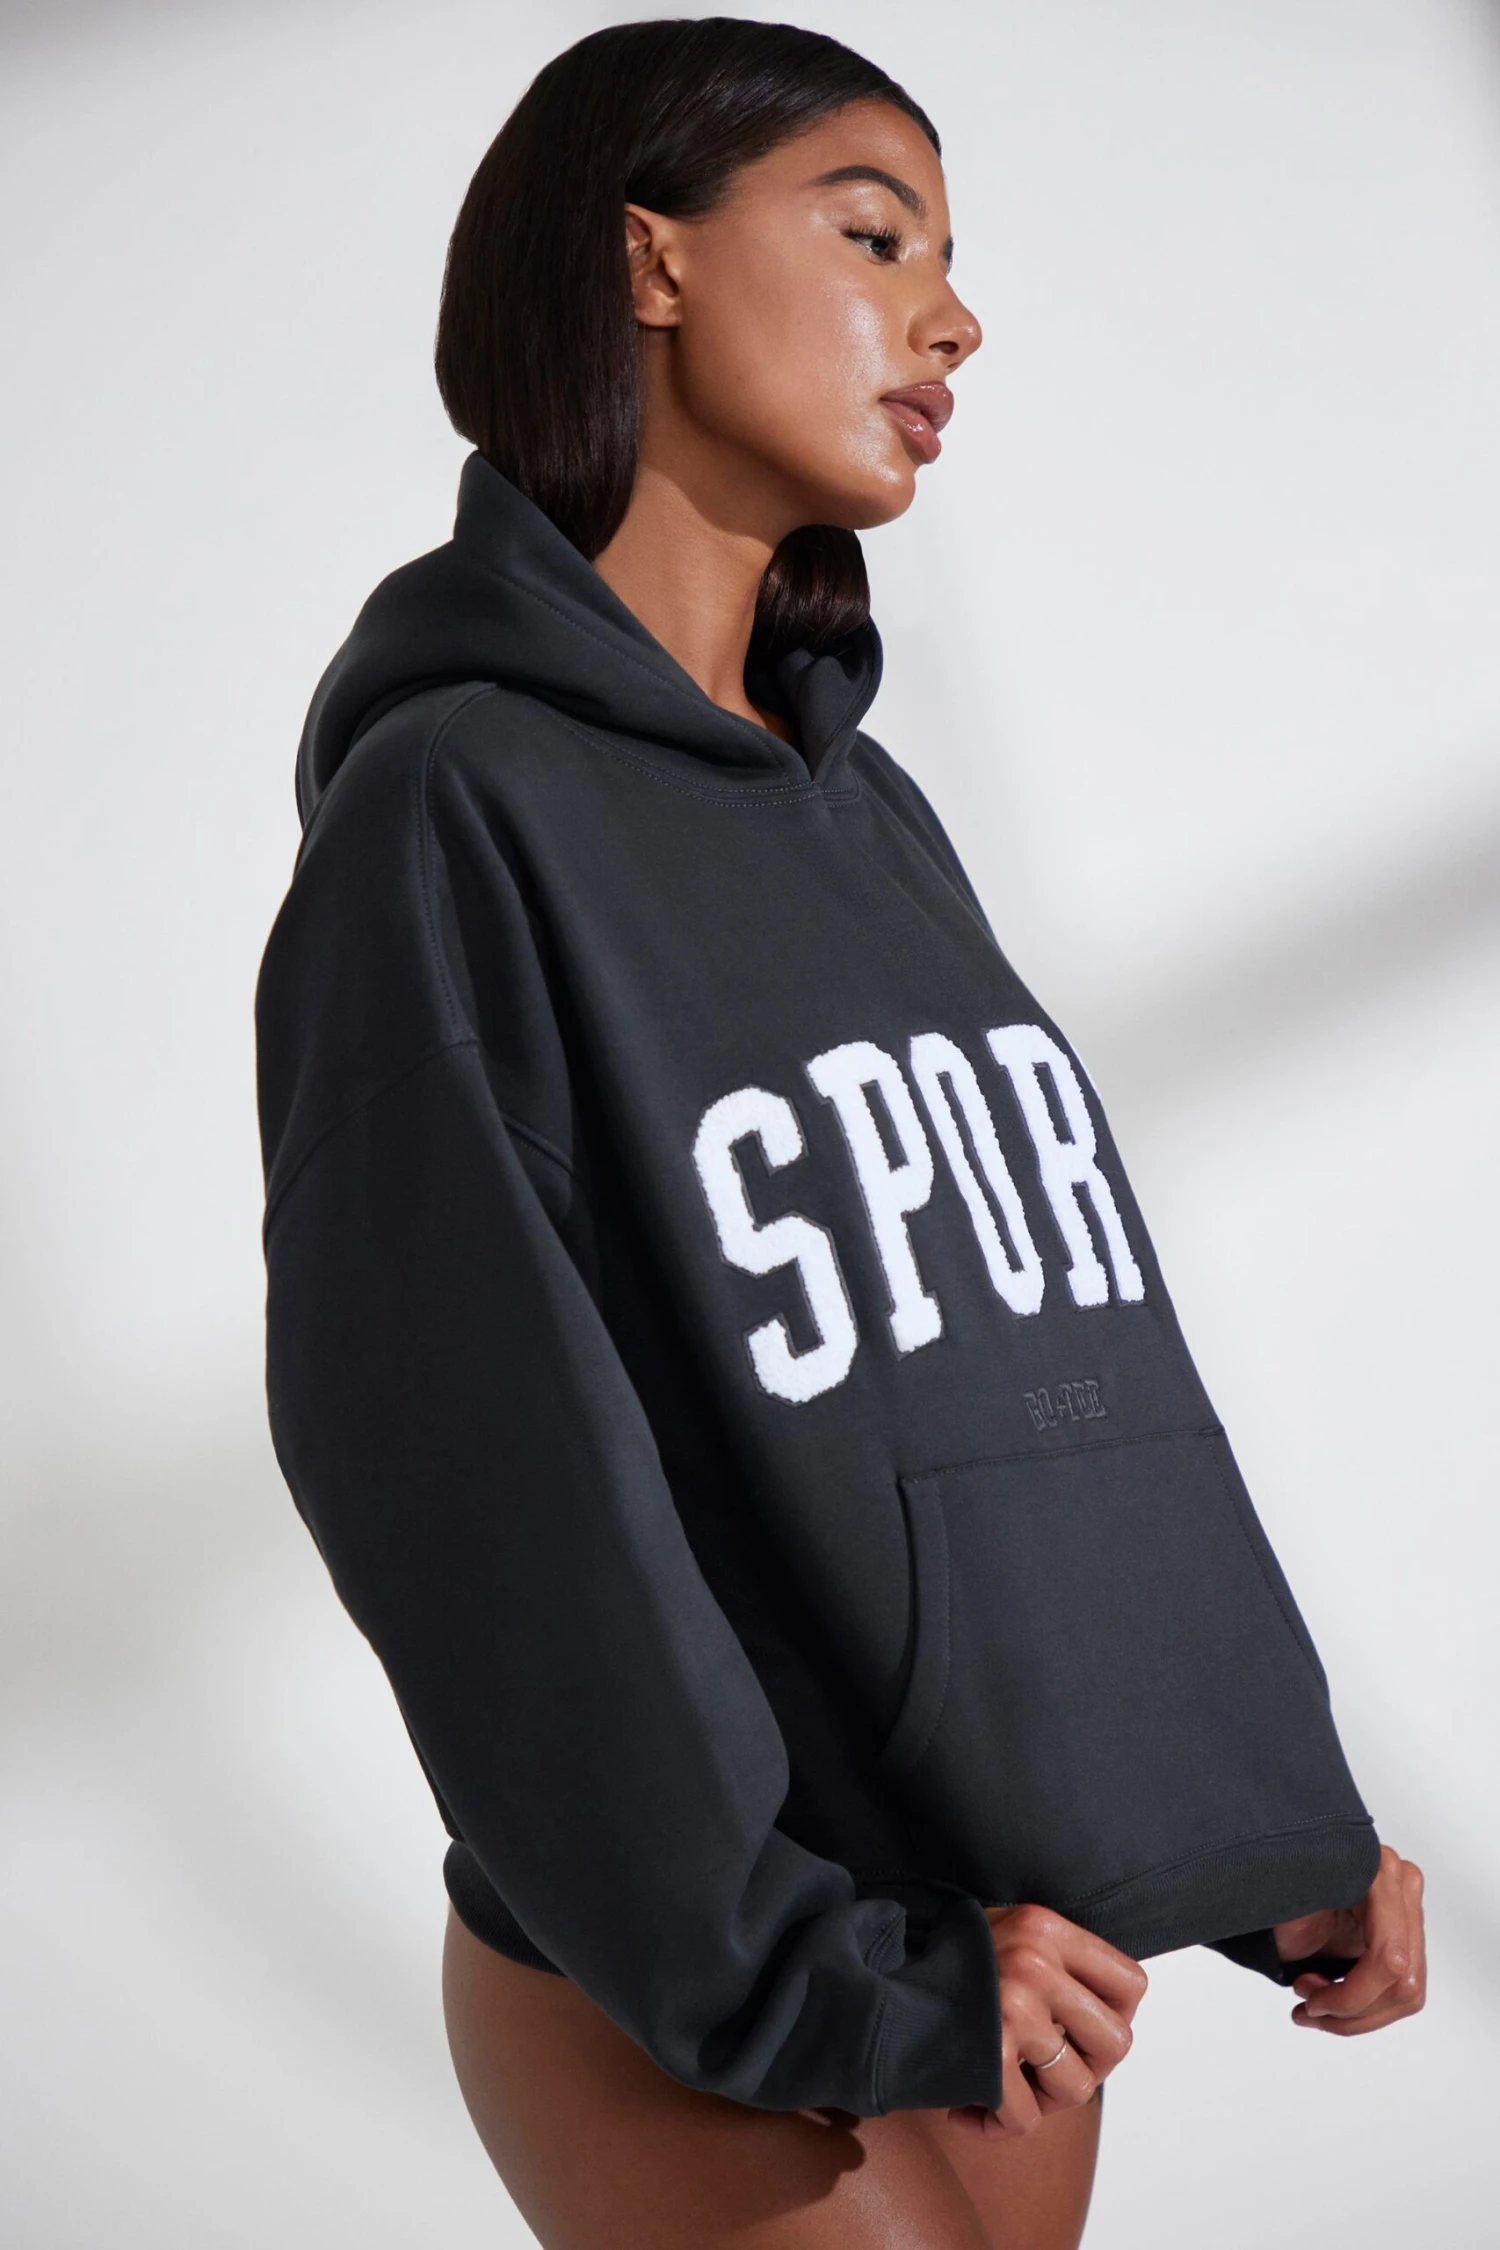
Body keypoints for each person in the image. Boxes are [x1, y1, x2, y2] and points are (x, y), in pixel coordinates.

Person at [254, 19, 1426, 2247]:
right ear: (653, 261)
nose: (954, 318)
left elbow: (1045, 1370)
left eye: (952, 261)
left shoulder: (868, 817)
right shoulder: (454, 806)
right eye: (878, 236)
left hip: (999, 1940)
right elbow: (468, 1478)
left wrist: (1257, 1823)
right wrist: (799, 1963)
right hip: (706, 1960)